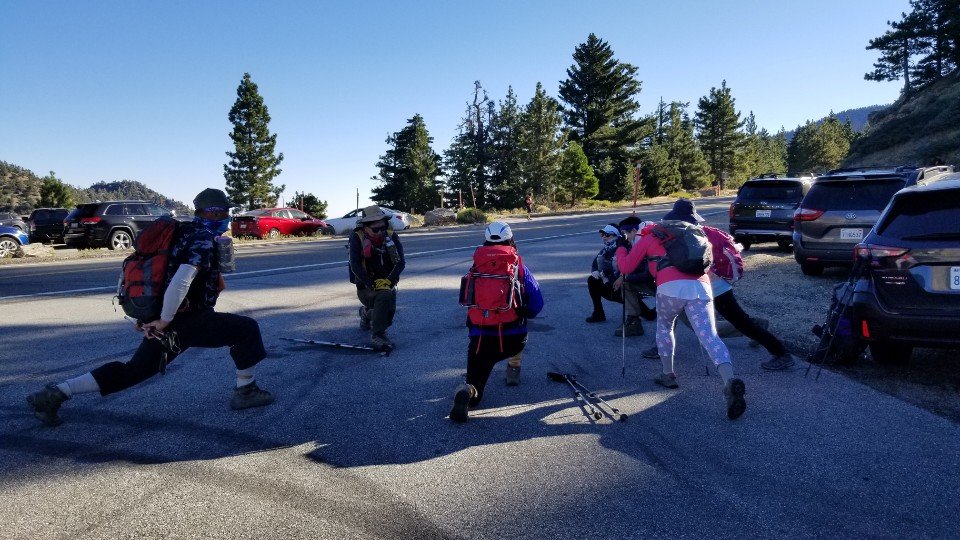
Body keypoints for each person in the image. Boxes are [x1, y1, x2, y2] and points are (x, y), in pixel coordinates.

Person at [26, 188, 274, 427]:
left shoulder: (180, 232)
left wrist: (145, 315)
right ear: (215, 212)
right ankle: (246, 391)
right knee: (247, 329)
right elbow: (181, 280)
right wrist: (164, 320)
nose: (228, 217)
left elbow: (143, 270)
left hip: (166, 313)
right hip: (186, 317)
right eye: (225, 212)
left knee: (134, 370)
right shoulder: (202, 239)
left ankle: (55, 394)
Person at [617, 198, 747, 420]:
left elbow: (626, 267)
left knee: (665, 326)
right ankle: (729, 380)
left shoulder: (652, 235)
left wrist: (621, 248)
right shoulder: (699, 236)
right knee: (710, 336)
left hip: (669, 288)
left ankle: (668, 374)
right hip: (701, 289)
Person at [637, 203, 796, 371]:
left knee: (741, 322)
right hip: (713, 285)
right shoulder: (703, 233)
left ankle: (781, 353)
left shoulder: (681, 236)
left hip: (708, 287)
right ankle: (659, 347)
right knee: (676, 317)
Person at [450, 221, 544, 422]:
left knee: (477, 381)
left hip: (480, 338)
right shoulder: (519, 267)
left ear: (486, 240)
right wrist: (523, 313)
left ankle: (469, 390)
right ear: (511, 240)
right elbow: (537, 304)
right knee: (520, 327)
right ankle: (513, 368)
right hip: (512, 338)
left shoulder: (476, 266)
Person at [348, 205, 406, 351]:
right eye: (375, 229)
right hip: (366, 287)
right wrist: (372, 284)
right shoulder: (357, 237)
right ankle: (378, 335)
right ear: (365, 228)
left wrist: (389, 281)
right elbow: (355, 266)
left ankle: (366, 313)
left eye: (383, 227)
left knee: (388, 314)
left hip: (387, 284)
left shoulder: (391, 236)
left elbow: (400, 263)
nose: (380, 232)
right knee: (384, 298)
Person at [613, 216, 658, 337]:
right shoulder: (636, 241)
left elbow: (646, 273)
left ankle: (707, 331)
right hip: (657, 281)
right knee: (626, 284)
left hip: (663, 283)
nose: (625, 237)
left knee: (686, 315)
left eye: (625, 233)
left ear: (633, 230)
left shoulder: (644, 241)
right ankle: (634, 322)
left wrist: (626, 277)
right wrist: (623, 277)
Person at [585, 224, 626, 323]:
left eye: (607, 235)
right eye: (602, 235)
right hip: (609, 282)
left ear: (616, 235)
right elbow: (596, 262)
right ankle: (598, 313)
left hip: (622, 283)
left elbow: (629, 266)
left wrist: (621, 278)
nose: (604, 237)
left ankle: (645, 314)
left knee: (645, 313)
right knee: (592, 280)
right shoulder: (606, 248)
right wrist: (595, 270)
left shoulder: (623, 247)